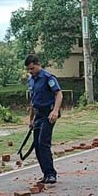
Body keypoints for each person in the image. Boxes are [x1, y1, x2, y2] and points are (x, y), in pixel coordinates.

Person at [25, 55, 63, 183]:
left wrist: (55, 111)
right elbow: (33, 101)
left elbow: (59, 94)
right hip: (38, 115)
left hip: (49, 114)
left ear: (38, 64)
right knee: (37, 144)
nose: (30, 71)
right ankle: (45, 174)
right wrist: (31, 119)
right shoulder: (31, 80)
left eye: (32, 68)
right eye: (29, 69)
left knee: (43, 142)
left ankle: (51, 173)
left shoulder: (48, 77)